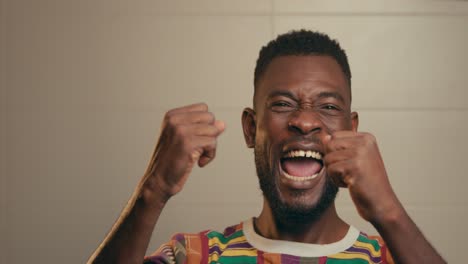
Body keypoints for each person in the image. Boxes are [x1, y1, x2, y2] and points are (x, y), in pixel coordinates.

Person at [88, 30, 446, 264]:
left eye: (328, 106)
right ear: (250, 128)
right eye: (282, 103)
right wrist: (152, 192)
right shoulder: (194, 256)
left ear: (352, 132)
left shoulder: (394, 257)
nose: (305, 121)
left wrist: (390, 214)